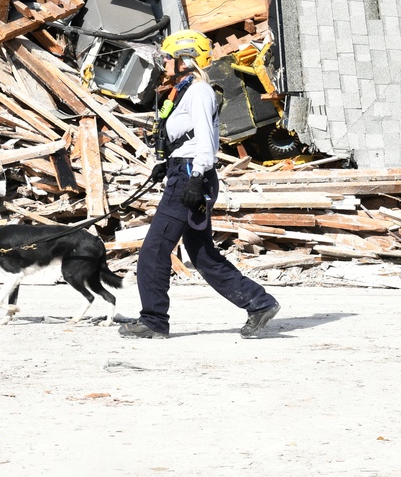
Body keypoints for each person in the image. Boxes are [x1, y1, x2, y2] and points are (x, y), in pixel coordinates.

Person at [118, 30, 280, 339]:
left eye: (167, 58)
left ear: (185, 59)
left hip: (191, 177)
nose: (162, 63)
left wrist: (194, 177)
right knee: (202, 255)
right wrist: (166, 163)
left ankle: (153, 319)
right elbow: (187, 138)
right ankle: (260, 304)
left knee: (154, 249)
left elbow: (207, 140)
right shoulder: (183, 91)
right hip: (185, 172)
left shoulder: (199, 92)